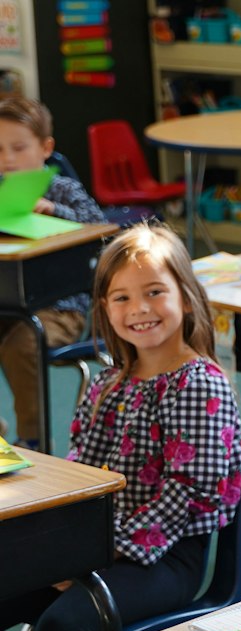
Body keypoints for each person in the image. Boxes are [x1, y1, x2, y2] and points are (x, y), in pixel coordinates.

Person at [0, 222, 241, 631]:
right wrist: (55, 549)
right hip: (95, 550)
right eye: (120, 298)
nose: (139, 309)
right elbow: (81, 474)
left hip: (171, 561)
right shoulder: (107, 382)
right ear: (103, 309)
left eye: (154, 291)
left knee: (63, 628)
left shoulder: (200, 384)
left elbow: (189, 499)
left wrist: (85, 562)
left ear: (186, 299)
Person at [0, 96, 109, 448]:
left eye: (19, 147)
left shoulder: (62, 187)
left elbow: (101, 231)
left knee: (23, 342)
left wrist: (54, 210)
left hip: (60, 308)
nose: (9, 159)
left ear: (46, 148)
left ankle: (33, 439)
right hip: (7, 302)